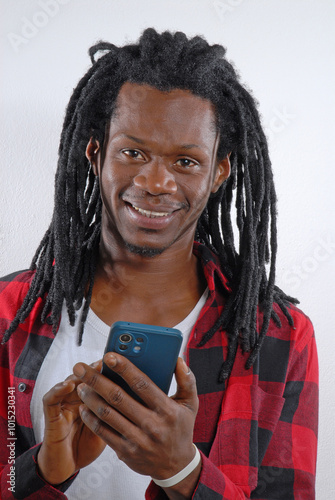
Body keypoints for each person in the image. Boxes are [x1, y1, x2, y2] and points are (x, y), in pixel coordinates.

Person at [0, 28, 318, 499]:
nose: (156, 182)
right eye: (133, 152)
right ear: (96, 153)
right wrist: (41, 468)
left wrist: (182, 470)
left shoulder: (279, 336)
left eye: (186, 162)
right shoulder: (10, 312)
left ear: (219, 172)